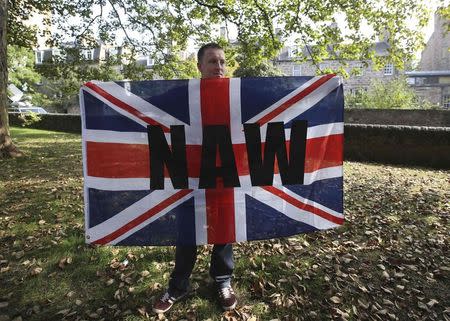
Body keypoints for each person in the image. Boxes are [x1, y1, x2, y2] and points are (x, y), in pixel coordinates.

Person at [152, 43, 237, 314]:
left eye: (223, 62)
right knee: (187, 234)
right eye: (213, 62)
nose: (219, 67)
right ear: (199, 66)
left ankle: (222, 281)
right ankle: (178, 286)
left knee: (224, 231)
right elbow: (150, 107)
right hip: (189, 178)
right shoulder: (183, 96)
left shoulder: (235, 95)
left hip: (224, 175)